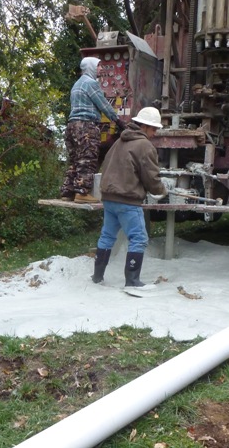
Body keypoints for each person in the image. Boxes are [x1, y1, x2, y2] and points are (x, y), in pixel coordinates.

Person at [92, 107, 168, 288]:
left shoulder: (120, 141)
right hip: (127, 200)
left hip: (109, 199)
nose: (155, 133)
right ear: (145, 126)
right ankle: (132, 281)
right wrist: (161, 191)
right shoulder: (144, 146)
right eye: (153, 129)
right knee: (139, 238)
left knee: (107, 237)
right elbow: (151, 178)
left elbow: (107, 165)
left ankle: (97, 277)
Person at [60, 57, 127, 204]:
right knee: (88, 160)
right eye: (98, 66)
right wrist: (119, 121)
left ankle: (68, 192)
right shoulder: (90, 83)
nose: (101, 69)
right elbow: (103, 105)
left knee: (75, 160)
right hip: (86, 126)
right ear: (90, 67)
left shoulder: (77, 84)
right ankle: (82, 193)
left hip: (72, 126)